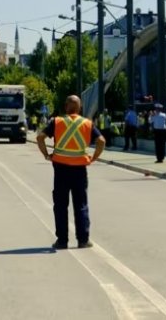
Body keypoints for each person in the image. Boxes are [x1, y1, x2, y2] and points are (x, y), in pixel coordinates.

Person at [36, 95, 106, 250]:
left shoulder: (57, 122)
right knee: (81, 204)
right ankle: (83, 240)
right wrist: (93, 158)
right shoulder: (87, 123)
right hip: (80, 170)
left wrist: (47, 155)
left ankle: (62, 241)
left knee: (61, 205)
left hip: (61, 169)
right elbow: (101, 141)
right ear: (80, 108)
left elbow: (40, 137)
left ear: (66, 106)